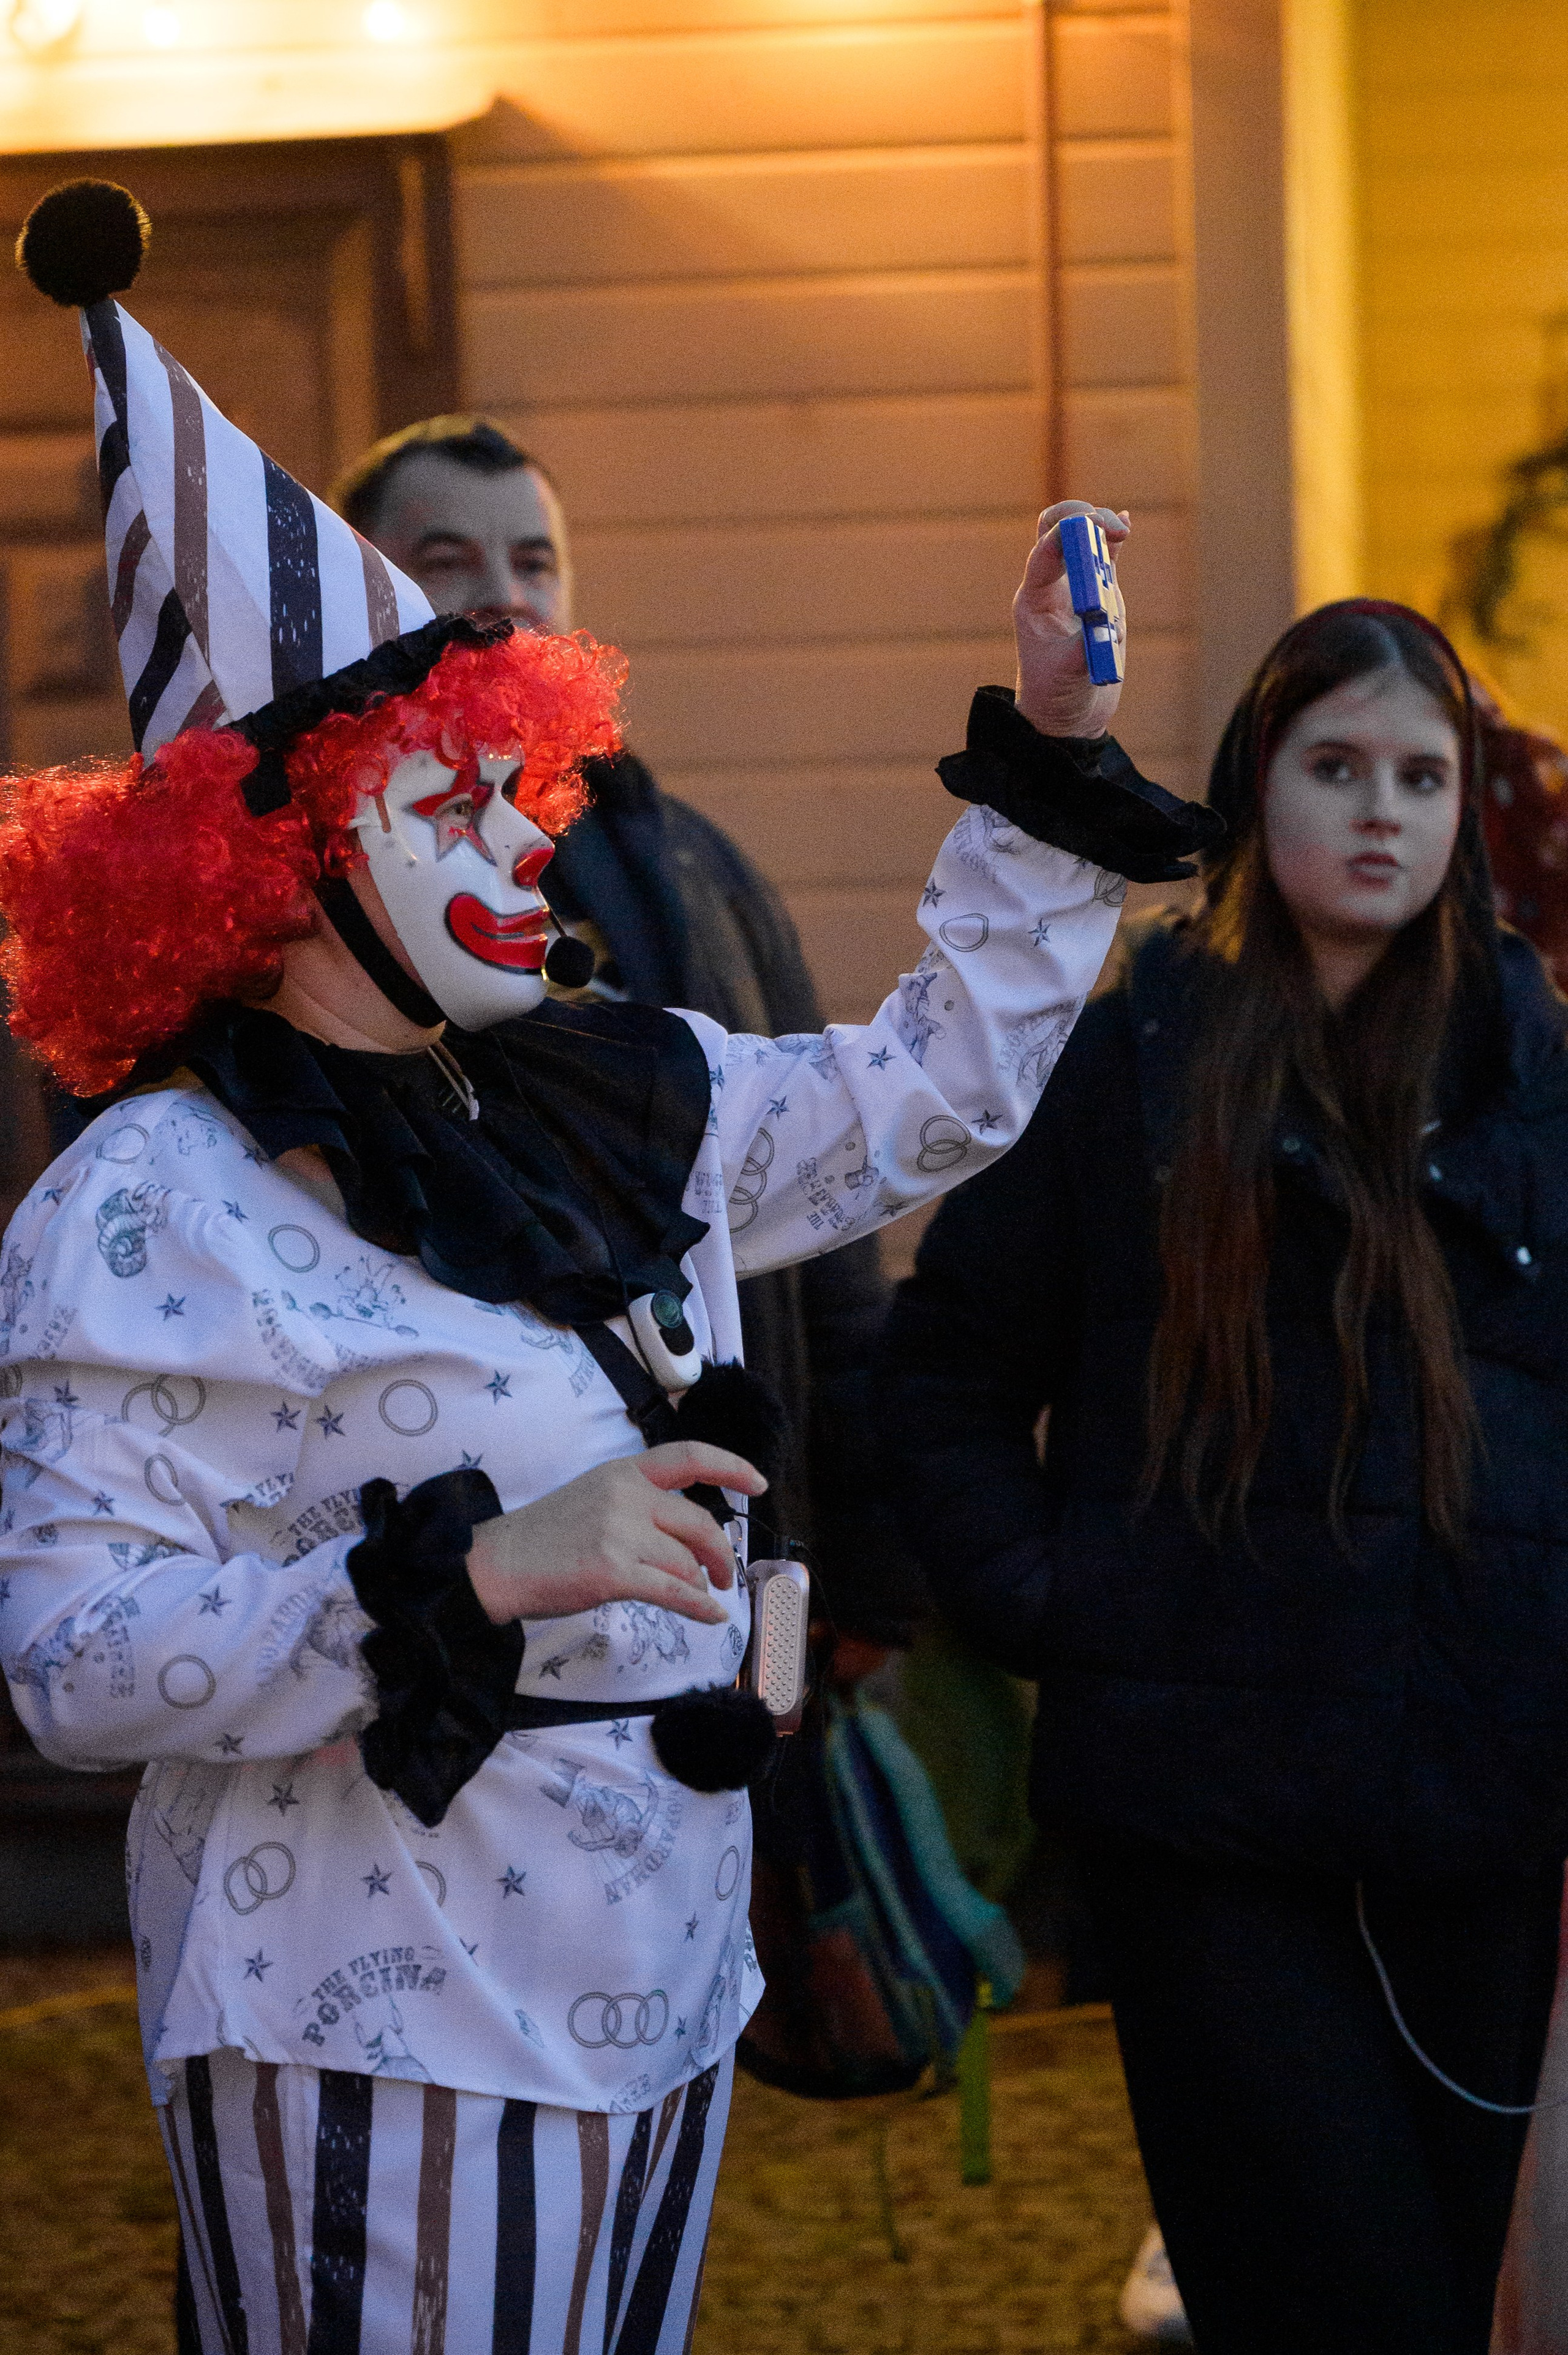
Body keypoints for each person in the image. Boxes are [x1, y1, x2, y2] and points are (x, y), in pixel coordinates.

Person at [0, 180, 1214, 2353]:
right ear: (272, 857)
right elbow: (74, 1659)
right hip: (366, 1999)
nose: (521, 839)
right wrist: (470, 1571)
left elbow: (923, 1094)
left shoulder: (614, 1076)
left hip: (658, 1964)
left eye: (517, 790)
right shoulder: (146, 1204)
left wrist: (1037, 768)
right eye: (450, 802)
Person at [875, 598, 1568, 2355]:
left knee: (1426, 2301)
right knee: (1319, 2304)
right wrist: (1056, 1603)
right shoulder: (1137, 1059)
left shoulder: (1538, 1078)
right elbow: (945, 1362)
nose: (1384, 811)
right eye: (1339, 765)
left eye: (1425, 774)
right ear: (1261, 785)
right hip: (1208, 1823)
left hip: (1476, 1820)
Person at [331, 417, 913, 1670]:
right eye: (446, 559)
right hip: (443, 1600)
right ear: (354, 575)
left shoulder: (693, 861)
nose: (500, 598)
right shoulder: (290, 889)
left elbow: (830, 1251)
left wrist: (862, 1570)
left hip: (719, 1579)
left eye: (534, 563)